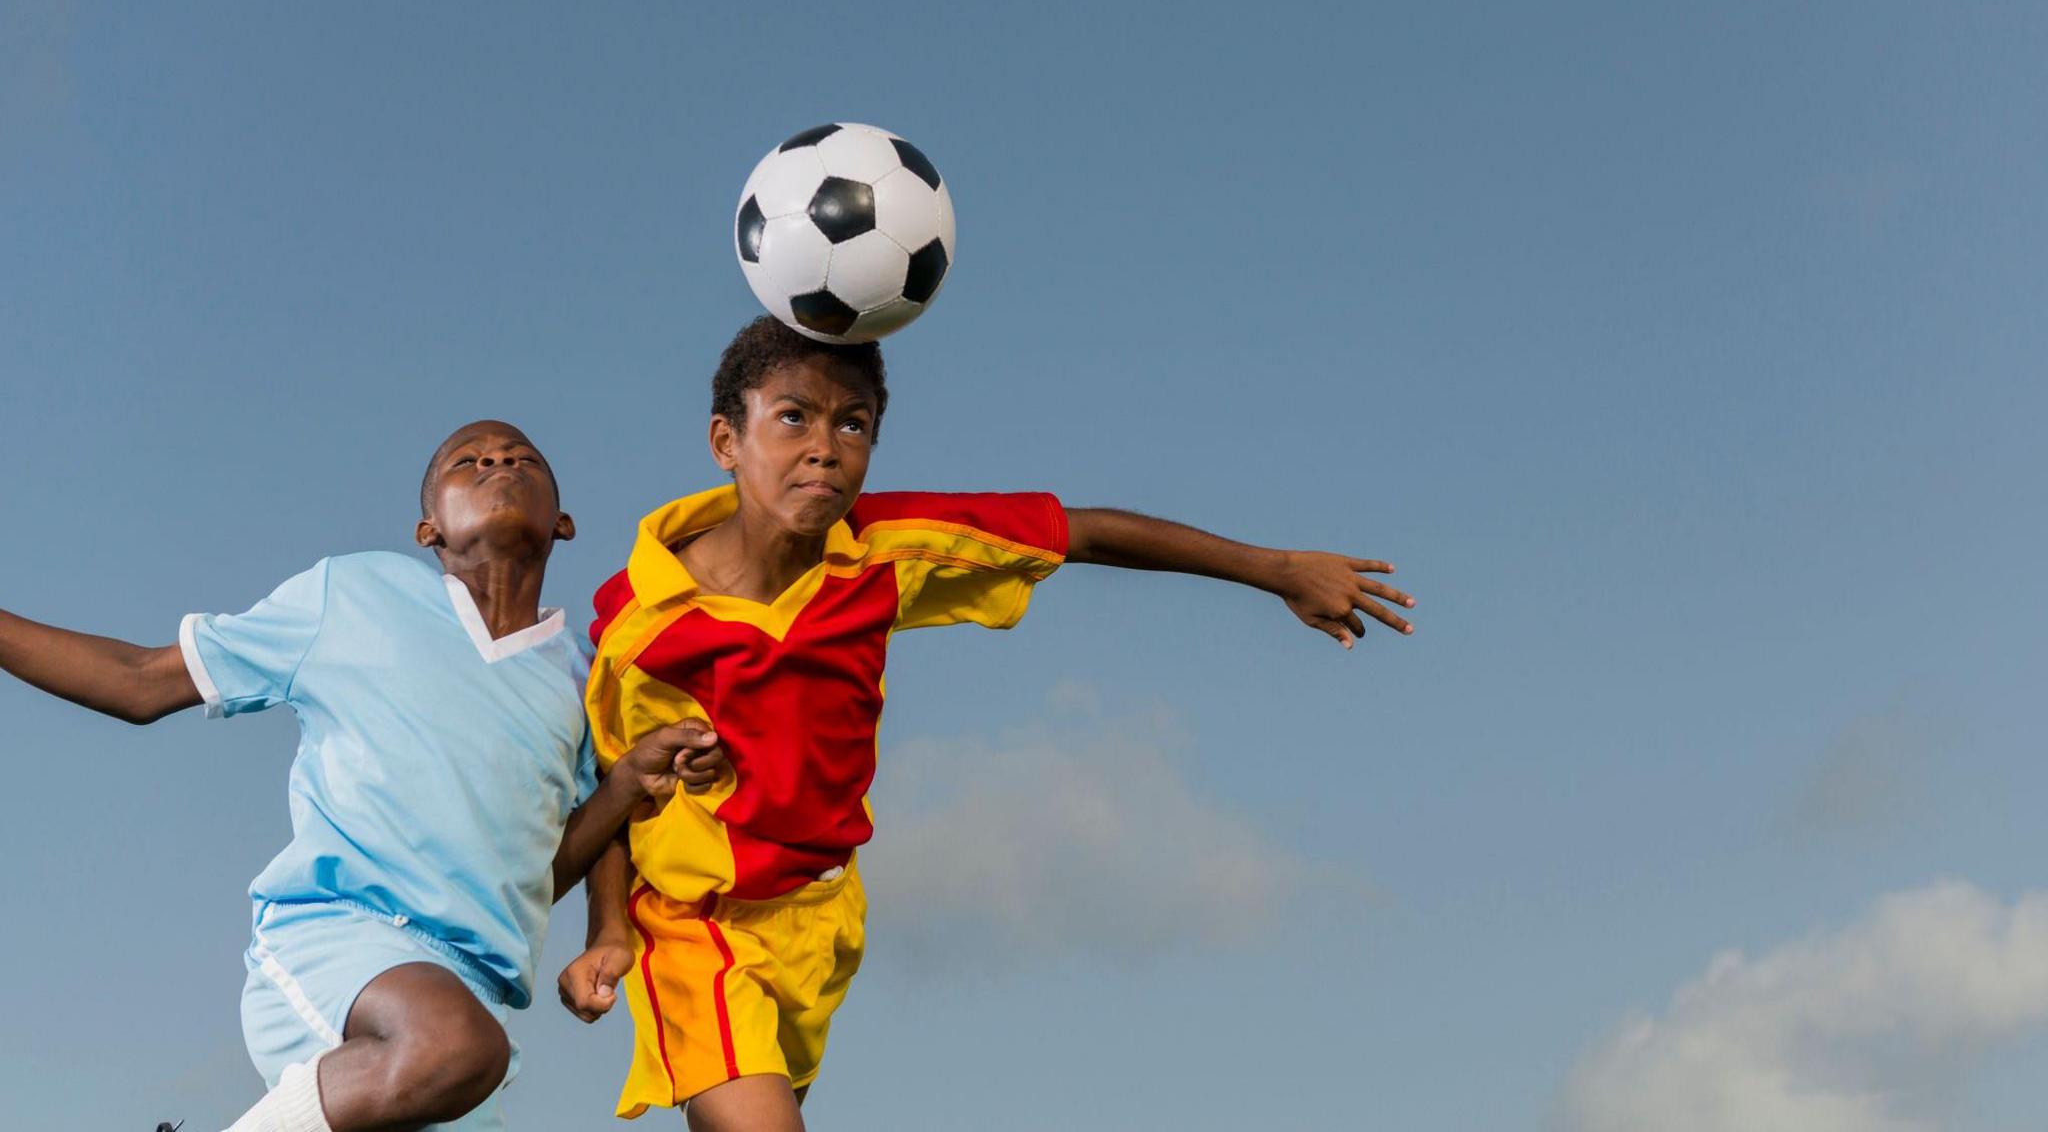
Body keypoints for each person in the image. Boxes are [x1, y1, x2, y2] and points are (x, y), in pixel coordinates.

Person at [558, 319, 1416, 1131]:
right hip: (696, 921)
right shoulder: (641, 617)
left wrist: (1276, 571)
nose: (824, 446)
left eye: (853, 425)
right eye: (792, 418)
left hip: (821, 914)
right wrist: (610, 929)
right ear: (725, 442)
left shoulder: (887, 548)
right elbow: (615, 782)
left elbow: (1080, 535)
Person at [0, 420, 723, 1132]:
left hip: (470, 997)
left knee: (460, 1046)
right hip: (338, 941)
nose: (498, 460)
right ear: (427, 528)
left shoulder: (578, 678)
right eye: (468, 460)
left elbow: (546, 865)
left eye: (521, 457)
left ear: (562, 521)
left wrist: (609, 905)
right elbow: (140, 681)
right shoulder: (348, 594)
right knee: (453, 1044)